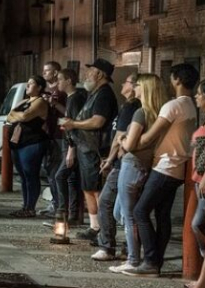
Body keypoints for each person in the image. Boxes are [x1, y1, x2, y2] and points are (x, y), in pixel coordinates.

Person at [123, 63, 199, 277]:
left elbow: (151, 136)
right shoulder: (191, 105)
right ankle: (155, 262)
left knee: (140, 211)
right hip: (178, 166)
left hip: (166, 165)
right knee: (162, 214)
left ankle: (150, 261)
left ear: (176, 79)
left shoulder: (172, 106)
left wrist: (128, 143)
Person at [104, 74, 168, 269]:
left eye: (138, 85)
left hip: (132, 164)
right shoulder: (157, 113)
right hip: (143, 165)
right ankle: (133, 254)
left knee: (128, 214)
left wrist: (122, 139)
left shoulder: (141, 112)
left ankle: (133, 259)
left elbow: (130, 144)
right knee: (121, 212)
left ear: (145, 89)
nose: (135, 88)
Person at [62, 58, 118, 241]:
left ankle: (104, 229)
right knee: (88, 188)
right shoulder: (94, 93)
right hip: (86, 148)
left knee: (96, 190)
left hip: (95, 149)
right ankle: (95, 226)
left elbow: (98, 121)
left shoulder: (104, 95)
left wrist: (74, 124)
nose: (87, 74)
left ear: (100, 74)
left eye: (90, 70)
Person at [90, 73, 141, 260]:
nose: (122, 83)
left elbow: (120, 136)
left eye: (126, 81)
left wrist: (110, 159)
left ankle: (108, 246)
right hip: (121, 162)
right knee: (122, 207)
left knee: (106, 202)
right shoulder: (128, 105)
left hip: (122, 163)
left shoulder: (131, 107)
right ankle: (124, 247)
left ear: (134, 86)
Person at [166, 79, 205, 288]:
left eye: (200, 95)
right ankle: (201, 285)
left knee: (199, 225)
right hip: (199, 183)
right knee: (198, 225)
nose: (197, 98)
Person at [7, 75, 49, 218]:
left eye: (31, 84)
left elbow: (25, 117)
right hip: (18, 142)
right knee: (23, 176)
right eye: (28, 84)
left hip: (32, 142)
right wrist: (18, 115)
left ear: (39, 87)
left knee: (30, 174)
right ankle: (25, 206)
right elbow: (9, 115)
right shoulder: (24, 101)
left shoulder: (40, 102)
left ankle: (31, 207)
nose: (27, 86)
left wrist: (18, 115)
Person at [53, 68, 86, 224]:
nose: (57, 82)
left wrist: (71, 149)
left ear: (68, 81)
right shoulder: (71, 98)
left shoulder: (75, 99)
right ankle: (73, 215)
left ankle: (62, 211)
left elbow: (75, 125)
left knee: (60, 176)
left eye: (60, 79)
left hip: (72, 145)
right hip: (69, 142)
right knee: (71, 179)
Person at [39, 61, 67, 217]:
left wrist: (53, 103)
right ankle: (55, 203)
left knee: (56, 171)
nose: (44, 74)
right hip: (47, 134)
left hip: (59, 135)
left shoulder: (61, 91)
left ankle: (60, 207)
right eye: (43, 71)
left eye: (47, 71)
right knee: (49, 170)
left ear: (56, 73)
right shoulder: (44, 90)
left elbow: (68, 113)